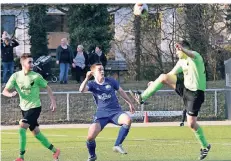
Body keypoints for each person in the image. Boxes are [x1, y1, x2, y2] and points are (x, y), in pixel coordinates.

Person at [129, 40, 211, 160]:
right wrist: (155, 83)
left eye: (177, 50)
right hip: (185, 90)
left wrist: (183, 50)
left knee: (191, 124)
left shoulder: (195, 56)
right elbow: (170, 74)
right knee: (163, 77)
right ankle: (141, 97)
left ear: (183, 49)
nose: (176, 53)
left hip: (196, 94)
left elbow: (191, 54)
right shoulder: (181, 61)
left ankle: (205, 146)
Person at [2, 53, 60, 161]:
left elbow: (47, 87)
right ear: (23, 63)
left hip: (35, 107)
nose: (32, 64)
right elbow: (4, 91)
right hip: (24, 108)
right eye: (29, 62)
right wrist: (10, 94)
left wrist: (53, 102)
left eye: (32, 62)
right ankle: (55, 151)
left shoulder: (36, 76)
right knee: (36, 133)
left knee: (22, 125)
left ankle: (21, 156)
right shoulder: (15, 76)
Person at [79, 63, 135, 161]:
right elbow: (81, 90)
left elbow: (121, 91)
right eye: (99, 70)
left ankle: (118, 145)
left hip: (115, 112)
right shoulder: (92, 84)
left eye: (103, 69)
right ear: (93, 73)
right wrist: (86, 78)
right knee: (90, 137)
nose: (102, 71)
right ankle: (92, 156)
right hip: (101, 114)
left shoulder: (111, 81)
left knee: (128, 120)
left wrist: (130, 103)